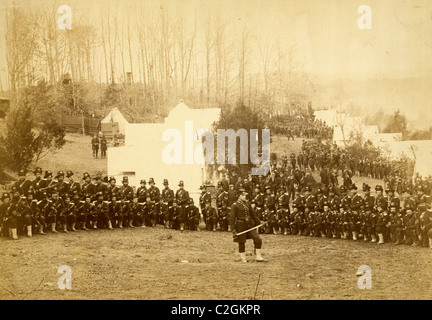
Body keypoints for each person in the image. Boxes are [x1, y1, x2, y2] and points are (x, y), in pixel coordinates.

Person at [229, 188, 266, 263]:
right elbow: (232, 218)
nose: (245, 196)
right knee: (241, 242)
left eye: (245, 195)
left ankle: (258, 256)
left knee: (257, 239)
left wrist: (259, 222)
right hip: (240, 225)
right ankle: (243, 258)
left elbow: (253, 215)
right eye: (243, 195)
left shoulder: (247, 203)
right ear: (239, 196)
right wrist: (233, 230)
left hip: (249, 225)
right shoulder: (234, 205)